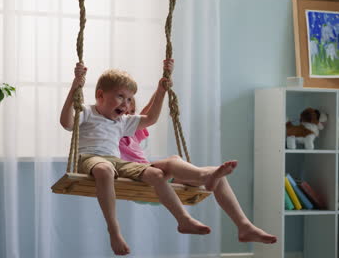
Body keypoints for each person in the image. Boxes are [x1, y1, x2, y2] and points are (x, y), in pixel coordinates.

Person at [60, 59, 237, 256]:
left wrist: (161, 91)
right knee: (104, 169)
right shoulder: (87, 112)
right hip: (89, 158)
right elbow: (66, 122)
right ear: (100, 95)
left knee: (155, 173)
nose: (126, 104)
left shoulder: (122, 121)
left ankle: (183, 219)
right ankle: (114, 230)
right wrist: (75, 86)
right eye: (120, 97)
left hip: (116, 161)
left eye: (129, 99)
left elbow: (150, 118)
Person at [119, 94, 278, 245]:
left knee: (219, 176)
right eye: (124, 113)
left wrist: (162, 88)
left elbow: (149, 112)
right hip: (134, 179)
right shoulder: (107, 130)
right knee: (174, 160)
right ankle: (205, 176)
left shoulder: (133, 131)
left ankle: (244, 227)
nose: (130, 116)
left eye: (132, 112)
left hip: (155, 179)